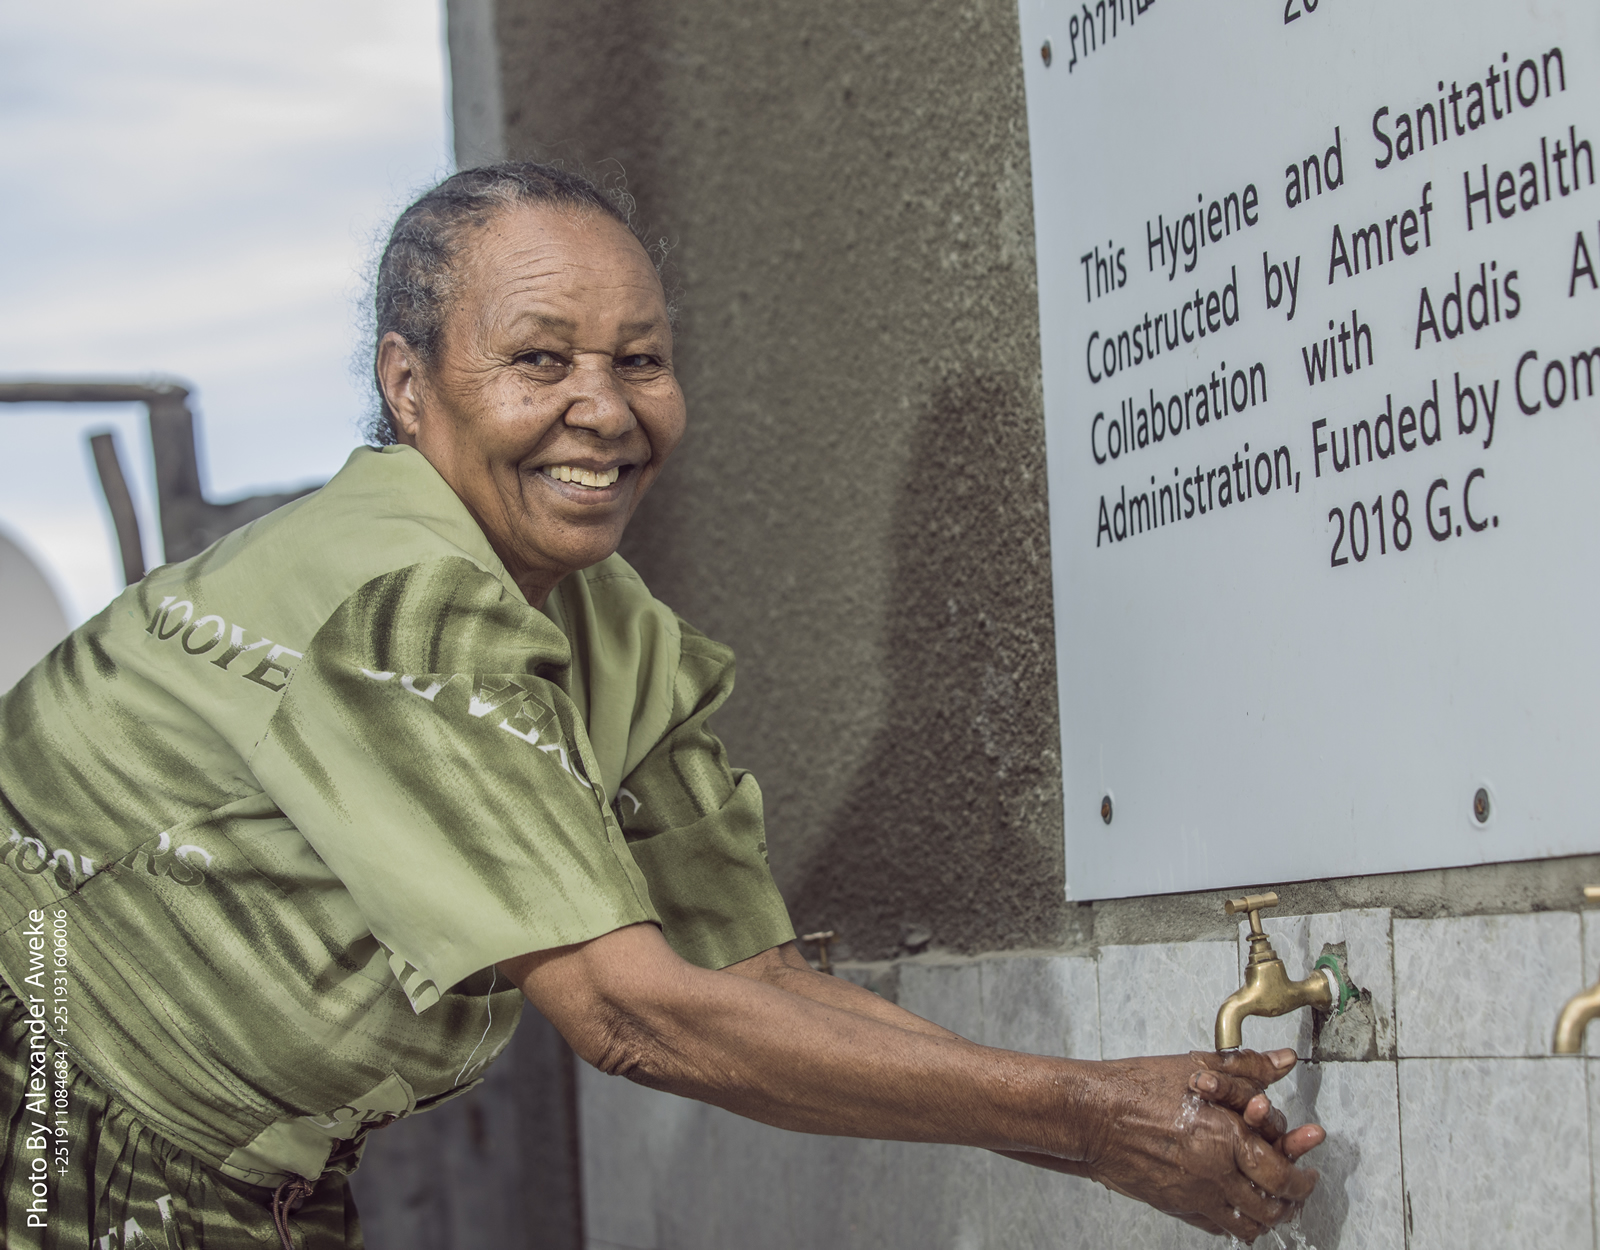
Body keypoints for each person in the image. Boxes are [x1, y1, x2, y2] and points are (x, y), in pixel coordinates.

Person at [0, 163, 1323, 1248]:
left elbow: (751, 984)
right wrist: (1091, 1116)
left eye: (640, 358)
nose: (604, 408)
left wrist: (1101, 1126)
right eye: (539, 358)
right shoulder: (403, 597)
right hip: (47, 1117)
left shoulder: (611, 634)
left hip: (242, 1175)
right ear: (411, 388)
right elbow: (630, 1012)